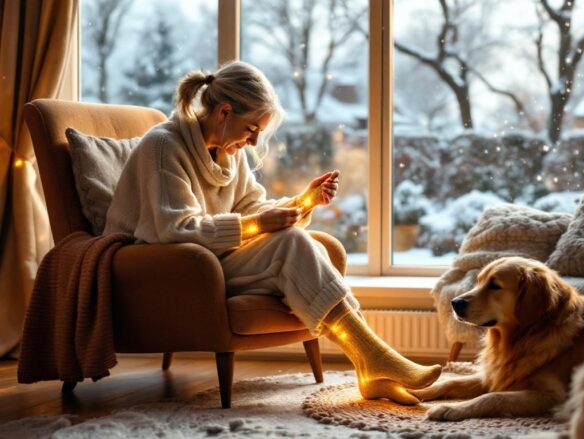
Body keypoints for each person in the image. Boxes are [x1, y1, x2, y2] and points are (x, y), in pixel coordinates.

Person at [104, 61, 441, 405]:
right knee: (291, 245)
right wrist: (256, 225)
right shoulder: (163, 146)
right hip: (164, 268)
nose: (253, 141)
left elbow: (252, 206)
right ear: (223, 112)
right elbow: (174, 229)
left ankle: (370, 366)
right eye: (251, 129)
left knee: (300, 244)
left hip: (210, 259)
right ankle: (373, 361)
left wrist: (303, 202)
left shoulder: (229, 152)